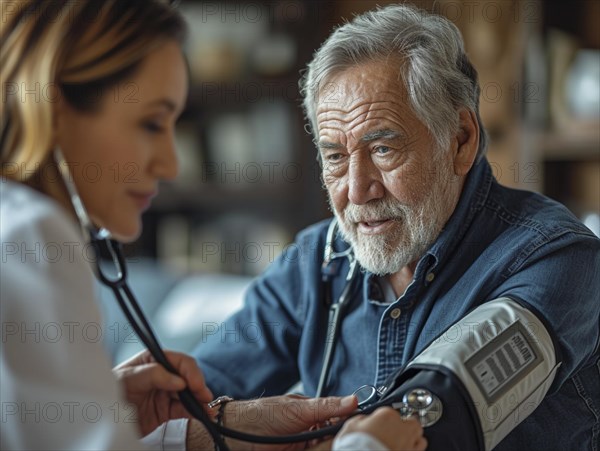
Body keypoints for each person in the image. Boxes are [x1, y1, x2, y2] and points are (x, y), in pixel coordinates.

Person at [0, 1, 428, 450]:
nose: (169, 164)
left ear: (461, 141)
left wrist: (140, 419)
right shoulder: (30, 238)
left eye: (383, 149)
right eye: (149, 123)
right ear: (55, 106)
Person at [194, 3, 600, 450]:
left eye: (384, 149)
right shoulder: (316, 261)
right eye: (334, 156)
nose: (356, 190)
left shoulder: (558, 258)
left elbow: (440, 411)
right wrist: (223, 419)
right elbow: (188, 401)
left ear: (460, 140)